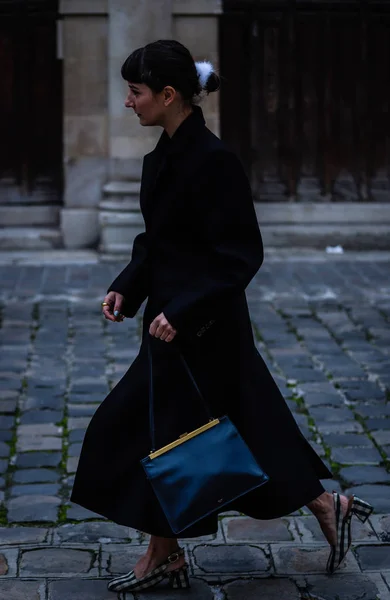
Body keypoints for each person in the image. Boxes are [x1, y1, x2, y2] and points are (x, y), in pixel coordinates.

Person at [70, 40, 373, 593]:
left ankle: (169, 555)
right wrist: (126, 286)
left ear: (168, 95)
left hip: (203, 326)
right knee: (223, 428)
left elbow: (240, 255)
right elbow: (156, 242)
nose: (128, 103)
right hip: (170, 325)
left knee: (143, 429)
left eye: (135, 93)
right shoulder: (159, 158)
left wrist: (183, 312)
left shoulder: (216, 162)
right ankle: (322, 507)